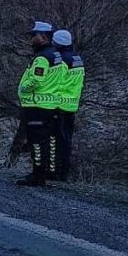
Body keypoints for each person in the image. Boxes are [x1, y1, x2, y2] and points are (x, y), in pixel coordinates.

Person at [16, 19, 64, 187]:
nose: (31, 39)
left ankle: (38, 175)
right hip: (50, 105)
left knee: (36, 141)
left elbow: (36, 80)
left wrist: (23, 88)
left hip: (37, 106)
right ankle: (41, 173)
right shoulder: (56, 54)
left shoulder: (43, 58)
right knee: (44, 141)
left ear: (43, 37)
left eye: (34, 36)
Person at [52, 29, 83, 180]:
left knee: (56, 141)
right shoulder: (77, 58)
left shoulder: (61, 60)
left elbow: (55, 83)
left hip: (59, 105)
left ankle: (56, 172)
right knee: (66, 141)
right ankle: (63, 171)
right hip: (71, 106)